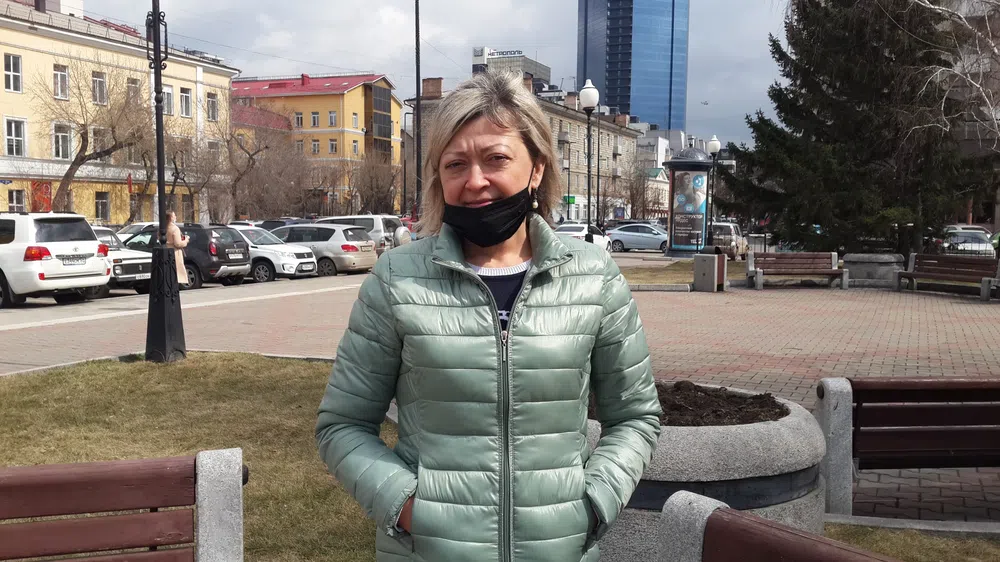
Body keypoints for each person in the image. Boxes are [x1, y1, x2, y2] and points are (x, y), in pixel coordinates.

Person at [316, 70, 661, 562]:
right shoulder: (396, 279)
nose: (475, 181)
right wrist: (409, 510)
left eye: (496, 158)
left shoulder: (594, 276)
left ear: (536, 167)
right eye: (455, 164)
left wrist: (590, 505)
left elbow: (635, 417)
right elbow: (342, 425)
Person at [165, 211, 188, 285]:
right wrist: (186, 240)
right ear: (171, 218)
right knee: (176, 273)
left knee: (169, 273)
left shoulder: (163, 227)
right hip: (175, 252)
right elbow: (178, 243)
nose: (176, 217)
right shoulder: (175, 229)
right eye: (174, 215)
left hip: (166, 252)